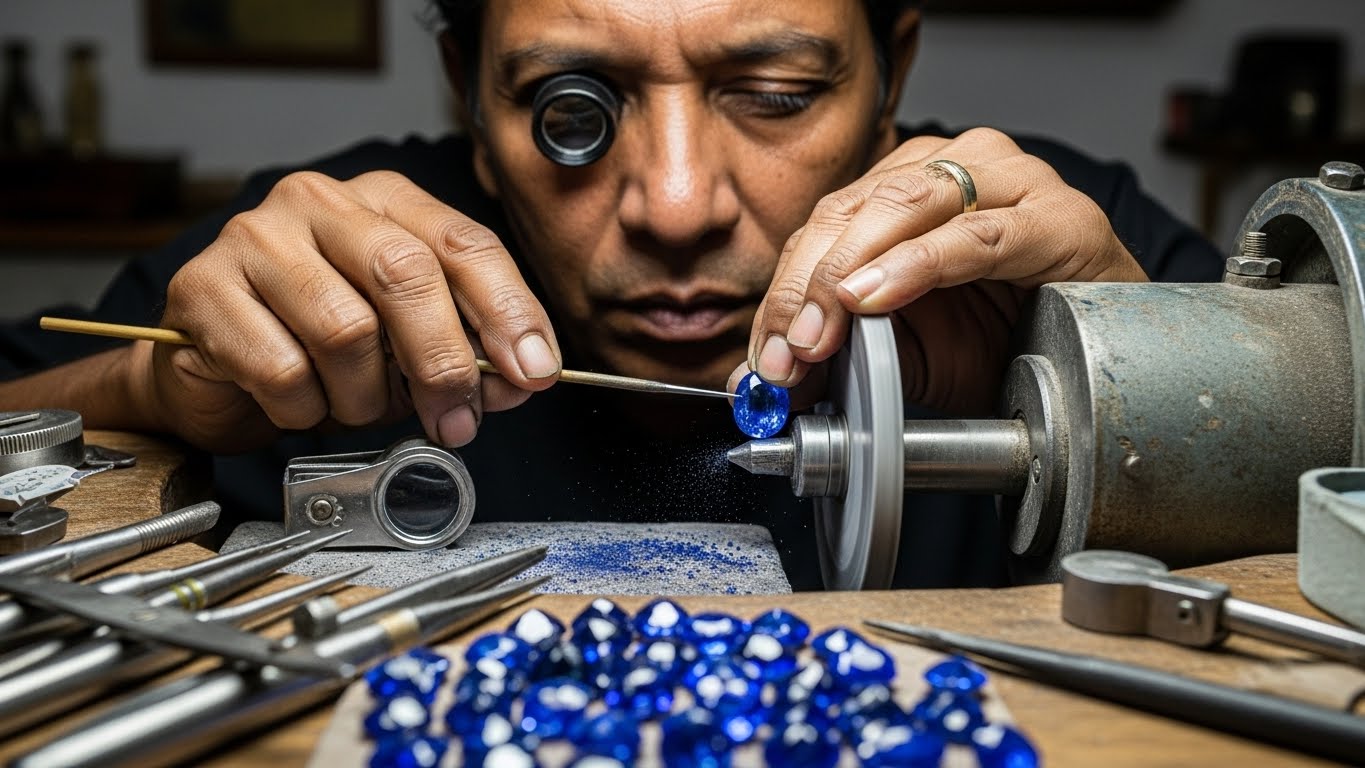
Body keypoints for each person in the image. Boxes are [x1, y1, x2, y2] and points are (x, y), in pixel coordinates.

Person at [0, 0, 1222, 590]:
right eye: (570, 108)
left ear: (892, 72)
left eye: (778, 90)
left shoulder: (1056, 243)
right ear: (466, 94)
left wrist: (1138, 372)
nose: (677, 203)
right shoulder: (306, 265)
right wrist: (150, 389)